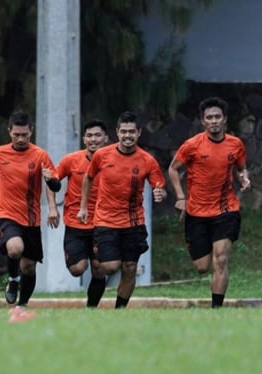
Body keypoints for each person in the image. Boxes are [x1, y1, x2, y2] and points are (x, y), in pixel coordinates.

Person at [77, 111, 166, 309]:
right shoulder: (102, 155)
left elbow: (158, 185)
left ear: (139, 133)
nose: (127, 135)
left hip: (133, 222)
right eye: (124, 131)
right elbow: (88, 178)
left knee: (130, 267)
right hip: (105, 220)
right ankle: (92, 305)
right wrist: (83, 207)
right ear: (117, 132)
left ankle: (120, 309)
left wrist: (160, 193)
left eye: (131, 132)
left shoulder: (147, 160)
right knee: (109, 266)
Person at [168, 97, 250, 308]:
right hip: (196, 213)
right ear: (203, 121)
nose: (214, 121)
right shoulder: (192, 145)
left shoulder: (235, 144)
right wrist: (180, 197)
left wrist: (244, 177)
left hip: (225, 210)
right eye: (209, 118)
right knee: (202, 266)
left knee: (221, 259)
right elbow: (173, 169)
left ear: (224, 120)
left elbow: (241, 167)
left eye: (217, 117)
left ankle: (216, 309)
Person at [0, 112, 61, 316]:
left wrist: (50, 180)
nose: (21, 139)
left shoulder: (40, 155)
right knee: (14, 249)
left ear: (31, 131)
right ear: (9, 133)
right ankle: (13, 279)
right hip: (6, 212)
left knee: (29, 267)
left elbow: (56, 185)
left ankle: (22, 304)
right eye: (16, 134)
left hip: (31, 218)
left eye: (25, 134)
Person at [46, 119, 109, 308]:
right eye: (89, 135)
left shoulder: (113, 160)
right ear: (83, 139)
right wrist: (52, 207)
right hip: (75, 223)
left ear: (106, 138)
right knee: (77, 269)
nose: (93, 139)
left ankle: (91, 308)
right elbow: (52, 181)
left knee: (99, 269)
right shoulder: (71, 160)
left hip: (102, 223)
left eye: (98, 135)